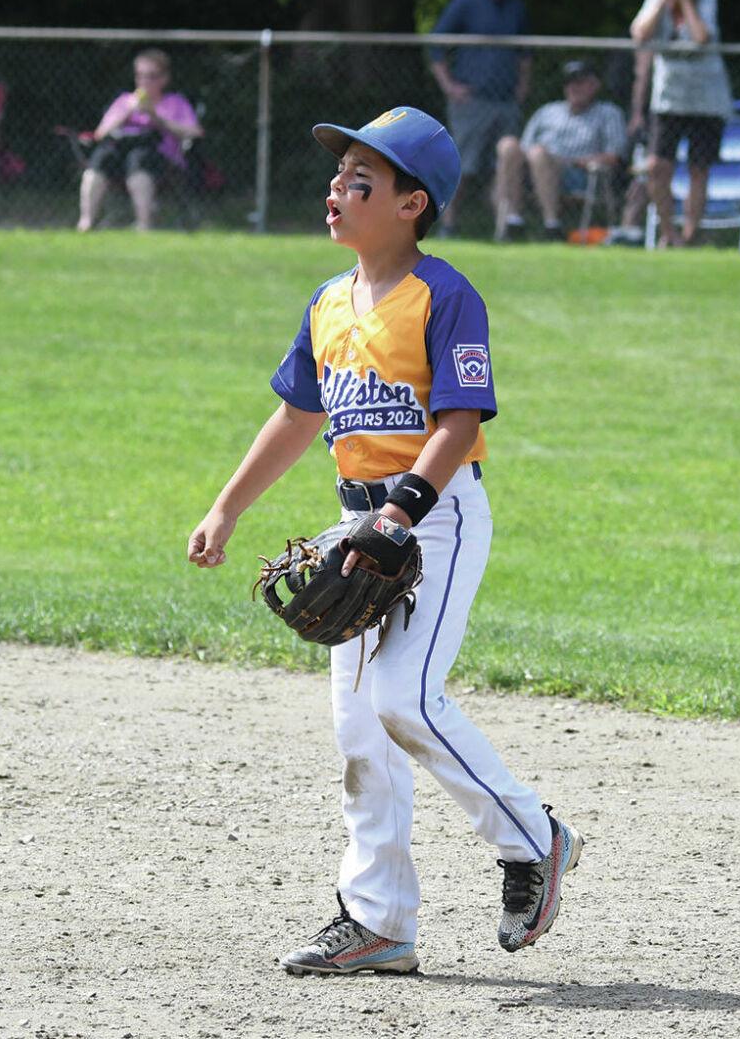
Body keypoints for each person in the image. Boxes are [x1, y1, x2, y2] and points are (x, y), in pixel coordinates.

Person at [186, 105, 581, 975]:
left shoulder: (443, 294)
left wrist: (399, 512)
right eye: (337, 176)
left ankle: (532, 838)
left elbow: (458, 422)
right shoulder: (328, 302)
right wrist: (227, 507)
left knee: (404, 697)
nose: (337, 188)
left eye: (360, 180)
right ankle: (377, 920)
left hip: (432, 517)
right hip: (358, 525)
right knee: (359, 728)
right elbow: (297, 416)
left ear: (412, 203)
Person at [629, 0, 732, 248]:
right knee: (657, 166)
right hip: (668, 100)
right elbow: (639, 34)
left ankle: (689, 235)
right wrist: (663, 0)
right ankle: (668, 233)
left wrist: (685, 0)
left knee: (699, 168)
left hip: (706, 100)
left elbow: (701, 37)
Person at [429, 0, 531, 235]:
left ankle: (504, 227)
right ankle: (448, 225)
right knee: (463, 166)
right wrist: (449, 86)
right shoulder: (466, 2)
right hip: (471, 102)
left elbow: (526, 54)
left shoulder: (516, 6)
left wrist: (523, 87)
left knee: (506, 164)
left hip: (506, 101)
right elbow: (436, 45)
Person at [491, 60, 626, 241]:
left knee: (538, 153)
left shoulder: (608, 113)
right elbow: (524, 147)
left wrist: (568, 161)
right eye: (569, 83)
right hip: (532, 171)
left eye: (580, 82)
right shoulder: (547, 111)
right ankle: (513, 220)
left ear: (595, 85)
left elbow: (614, 156)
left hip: (579, 174)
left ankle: (552, 224)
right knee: (508, 145)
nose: (574, 88)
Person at [76, 48, 203, 232]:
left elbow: (195, 132)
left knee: (138, 159)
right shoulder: (124, 101)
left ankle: (144, 225)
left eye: (151, 76)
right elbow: (100, 134)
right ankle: (86, 222)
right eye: (140, 76)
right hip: (120, 154)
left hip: (160, 158)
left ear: (164, 79)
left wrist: (155, 117)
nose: (144, 81)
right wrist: (126, 113)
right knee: (101, 159)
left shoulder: (176, 103)